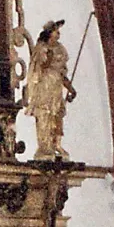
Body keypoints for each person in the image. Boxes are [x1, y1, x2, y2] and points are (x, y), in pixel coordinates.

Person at [23, 19, 74, 156]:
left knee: (57, 115)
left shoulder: (60, 49)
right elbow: (41, 67)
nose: (58, 34)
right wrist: (49, 58)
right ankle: (45, 145)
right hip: (44, 87)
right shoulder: (41, 48)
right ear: (49, 33)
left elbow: (62, 73)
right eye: (56, 31)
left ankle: (56, 144)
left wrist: (70, 89)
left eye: (58, 31)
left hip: (56, 87)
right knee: (45, 115)